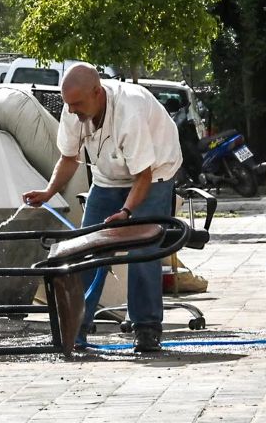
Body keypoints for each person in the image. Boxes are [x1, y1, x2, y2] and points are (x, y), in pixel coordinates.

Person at [23, 63, 182, 352]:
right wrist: (48, 192)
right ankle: (76, 328)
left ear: (97, 92)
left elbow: (142, 176)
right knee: (85, 248)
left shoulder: (128, 111)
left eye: (78, 104)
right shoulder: (74, 109)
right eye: (68, 104)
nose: (72, 111)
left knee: (143, 247)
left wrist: (127, 213)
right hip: (108, 176)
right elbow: (69, 158)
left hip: (155, 171)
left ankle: (146, 328)